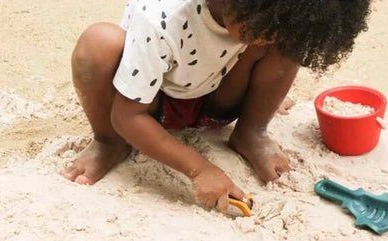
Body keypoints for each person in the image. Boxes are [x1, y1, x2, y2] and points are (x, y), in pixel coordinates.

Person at [61, 0, 371, 213]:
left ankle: (251, 132)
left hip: (215, 94)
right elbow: (127, 116)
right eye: (262, 31)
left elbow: (278, 28)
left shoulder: (266, 15)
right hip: (151, 104)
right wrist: (200, 170)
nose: (266, 40)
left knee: (289, 43)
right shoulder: (162, 18)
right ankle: (107, 142)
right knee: (98, 44)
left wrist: (264, 84)